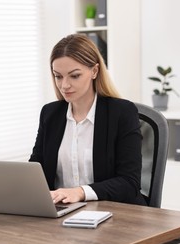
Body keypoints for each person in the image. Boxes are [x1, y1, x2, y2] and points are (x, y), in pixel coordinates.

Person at [29, 34, 147, 206]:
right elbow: (36, 172)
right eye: (58, 76)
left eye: (74, 76)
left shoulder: (122, 113)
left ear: (94, 71)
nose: (64, 85)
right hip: (62, 215)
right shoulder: (50, 114)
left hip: (116, 214)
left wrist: (80, 192)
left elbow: (129, 183)